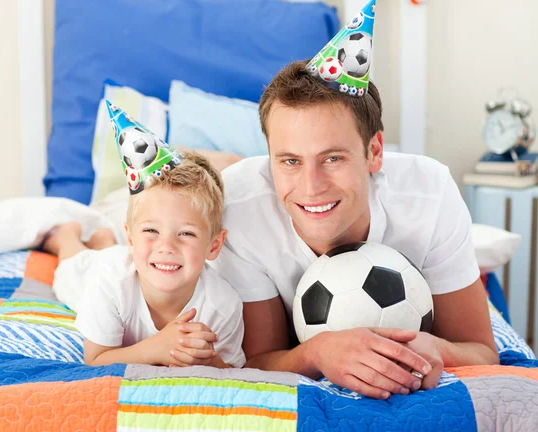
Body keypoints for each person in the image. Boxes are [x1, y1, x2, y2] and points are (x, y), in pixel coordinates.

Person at [212, 0, 498, 400]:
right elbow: (257, 358)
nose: (311, 187)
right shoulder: (239, 208)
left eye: (333, 158)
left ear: (374, 152)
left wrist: (439, 349)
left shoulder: (428, 193)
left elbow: (483, 352)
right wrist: (316, 352)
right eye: (290, 161)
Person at [44, 104, 246, 369]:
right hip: (98, 269)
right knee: (72, 266)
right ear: (130, 237)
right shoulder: (110, 282)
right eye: (151, 230)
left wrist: (211, 360)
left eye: (186, 233)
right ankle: (66, 236)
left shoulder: (223, 305)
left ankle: (103, 240)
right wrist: (158, 348)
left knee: (103, 250)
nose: (166, 247)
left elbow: (233, 371)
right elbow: (95, 359)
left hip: (121, 258)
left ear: (214, 245)